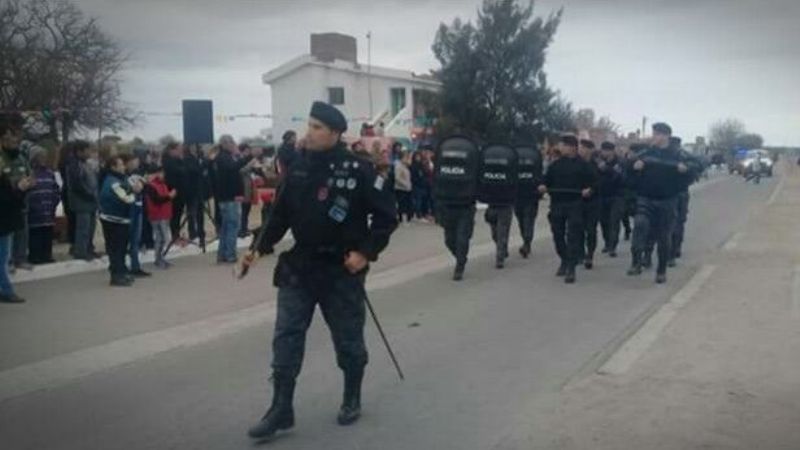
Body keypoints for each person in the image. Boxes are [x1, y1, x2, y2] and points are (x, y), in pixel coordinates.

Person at [245, 101, 397, 440]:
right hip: (300, 267)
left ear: (335, 133)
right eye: (309, 125)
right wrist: (258, 246)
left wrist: (365, 253)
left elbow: (387, 218)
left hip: (341, 269)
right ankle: (281, 408)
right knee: (286, 337)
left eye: (317, 127)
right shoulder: (297, 168)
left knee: (348, 339)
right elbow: (278, 217)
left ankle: (351, 396)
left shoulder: (360, 170)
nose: (309, 133)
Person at [627, 122, 687, 284]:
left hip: (667, 200)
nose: (654, 137)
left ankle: (661, 270)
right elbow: (627, 167)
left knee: (663, 236)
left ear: (666, 136)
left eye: (657, 134)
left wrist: (684, 169)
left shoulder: (678, 154)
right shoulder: (646, 152)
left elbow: (697, 166)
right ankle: (636, 262)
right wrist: (634, 167)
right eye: (653, 134)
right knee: (640, 225)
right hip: (646, 198)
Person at [538, 134, 596, 284]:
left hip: (575, 203)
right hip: (557, 203)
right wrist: (543, 186)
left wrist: (589, 190)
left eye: (563, 145)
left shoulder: (583, 166)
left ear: (572, 147)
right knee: (557, 234)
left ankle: (571, 267)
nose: (560, 147)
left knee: (573, 235)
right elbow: (546, 179)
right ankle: (564, 258)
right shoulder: (555, 165)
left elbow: (594, 183)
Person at [433, 136, 480, 281]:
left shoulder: (470, 162)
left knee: (462, 238)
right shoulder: (444, 164)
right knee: (449, 240)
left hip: (465, 206)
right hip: (447, 204)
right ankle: (461, 257)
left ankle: (459, 266)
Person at [0, 113, 35, 303]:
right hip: (5, 213)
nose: (12, 142)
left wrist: (24, 187)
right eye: (6, 138)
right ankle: (5, 290)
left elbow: (28, 176)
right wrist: (18, 188)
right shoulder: (3, 161)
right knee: (2, 256)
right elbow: (5, 193)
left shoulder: (20, 157)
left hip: (12, 209)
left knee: (5, 252)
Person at [98, 155, 141, 287]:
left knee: (121, 248)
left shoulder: (120, 179)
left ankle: (121, 272)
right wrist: (134, 191)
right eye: (121, 165)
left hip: (121, 219)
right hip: (113, 220)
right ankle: (116, 276)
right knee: (116, 249)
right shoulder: (113, 182)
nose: (123, 167)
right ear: (113, 167)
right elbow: (127, 199)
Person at [479, 144, 518, 269]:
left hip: (505, 204)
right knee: (495, 233)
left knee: (502, 232)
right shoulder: (489, 168)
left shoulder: (509, 164)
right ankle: (503, 248)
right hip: (493, 203)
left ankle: (499, 257)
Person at [210, 135, 247, 264]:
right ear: (225, 144)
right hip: (229, 197)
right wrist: (243, 157)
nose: (234, 145)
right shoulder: (223, 157)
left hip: (227, 196)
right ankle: (230, 254)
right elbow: (233, 168)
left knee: (226, 227)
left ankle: (222, 254)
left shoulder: (224, 157)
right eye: (232, 143)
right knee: (232, 226)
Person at [669, 137, 702, 266]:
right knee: (674, 222)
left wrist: (687, 169)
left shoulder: (685, 156)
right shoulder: (666, 154)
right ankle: (673, 248)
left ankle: (675, 248)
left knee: (677, 222)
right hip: (671, 193)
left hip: (680, 193)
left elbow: (697, 167)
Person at [66, 140, 99, 261]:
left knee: (91, 228)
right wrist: (89, 194)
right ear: (79, 151)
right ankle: (81, 252)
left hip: (91, 202)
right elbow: (77, 184)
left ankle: (89, 249)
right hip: (81, 202)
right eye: (87, 150)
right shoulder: (74, 165)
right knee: (83, 229)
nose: (89, 153)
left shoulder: (86, 163)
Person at [27, 146, 60, 265]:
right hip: (35, 211)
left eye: (44, 156)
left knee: (47, 233)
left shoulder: (49, 173)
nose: (43, 159)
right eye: (40, 156)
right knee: (36, 234)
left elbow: (56, 189)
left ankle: (47, 255)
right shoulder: (30, 173)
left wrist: (55, 201)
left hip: (49, 209)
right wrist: (32, 205)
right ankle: (35, 256)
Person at [597, 142, 626, 258]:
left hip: (617, 196)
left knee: (614, 221)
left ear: (612, 151)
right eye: (603, 150)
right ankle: (607, 242)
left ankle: (612, 246)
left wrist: (606, 169)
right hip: (602, 195)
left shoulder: (620, 162)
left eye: (606, 150)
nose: (604, 153)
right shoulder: (599, 161)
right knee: (604, 221)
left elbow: (618, 176)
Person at [514, 144, 543, 258]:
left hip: (518, 193)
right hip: (531, 193)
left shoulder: (514, 152)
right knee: (528, 219)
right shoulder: (535, 154)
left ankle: (526, 241)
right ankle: (527, 241)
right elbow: (540, 173)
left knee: (522, 219)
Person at [123, 154, 150, 278]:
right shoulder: (124, 177)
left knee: (136, 239)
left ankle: (135, 266)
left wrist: (144, 183)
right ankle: (123, 266)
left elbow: (143, 189)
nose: (136, 164)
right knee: (127, 239)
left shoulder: (138, 174)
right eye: (134, 162)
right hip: (129, 209)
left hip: (139, 207)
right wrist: (136, 187)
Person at [144, 165, 175, 269]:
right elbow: (156, 200)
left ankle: (160, 257)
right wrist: (169, 196)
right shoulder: (151, 186)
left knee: (162, 238)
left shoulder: (163, 184)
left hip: (164, 214)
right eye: (161, 173)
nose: (163, 175)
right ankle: (158, 259)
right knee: (160, 238)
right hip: (157, 215)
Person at [578, 139, 601, 269]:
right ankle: (580, 253)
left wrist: (591, 190)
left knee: (591, 230)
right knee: (578, 229)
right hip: (577, 201)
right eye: (580, 147)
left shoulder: (596, 165)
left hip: (593, 201)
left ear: (589, 150)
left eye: (583, 148)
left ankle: (590, 255)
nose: (580, 150)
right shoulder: (575, 163)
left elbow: (600, 182)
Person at [163, 142, 188, 244]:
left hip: (181, 191)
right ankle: (174, 235)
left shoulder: (178, 160)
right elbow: (179, 172)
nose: (180, 151)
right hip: (173, 191)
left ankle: (177, 234)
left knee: (178, 215)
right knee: (174, 215)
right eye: (178, 149)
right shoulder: (168, 161)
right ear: (171, 150)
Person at [393, 151, 413, 223]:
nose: (407, 159)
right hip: (400, 188)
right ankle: (400, 217)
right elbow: (397, 178)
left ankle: (408, 216)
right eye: (405, 157)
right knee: (401, 204)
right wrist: (405, 184)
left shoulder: (405, 166)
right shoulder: (398, 166)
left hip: (407, 188)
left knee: (408, 203)